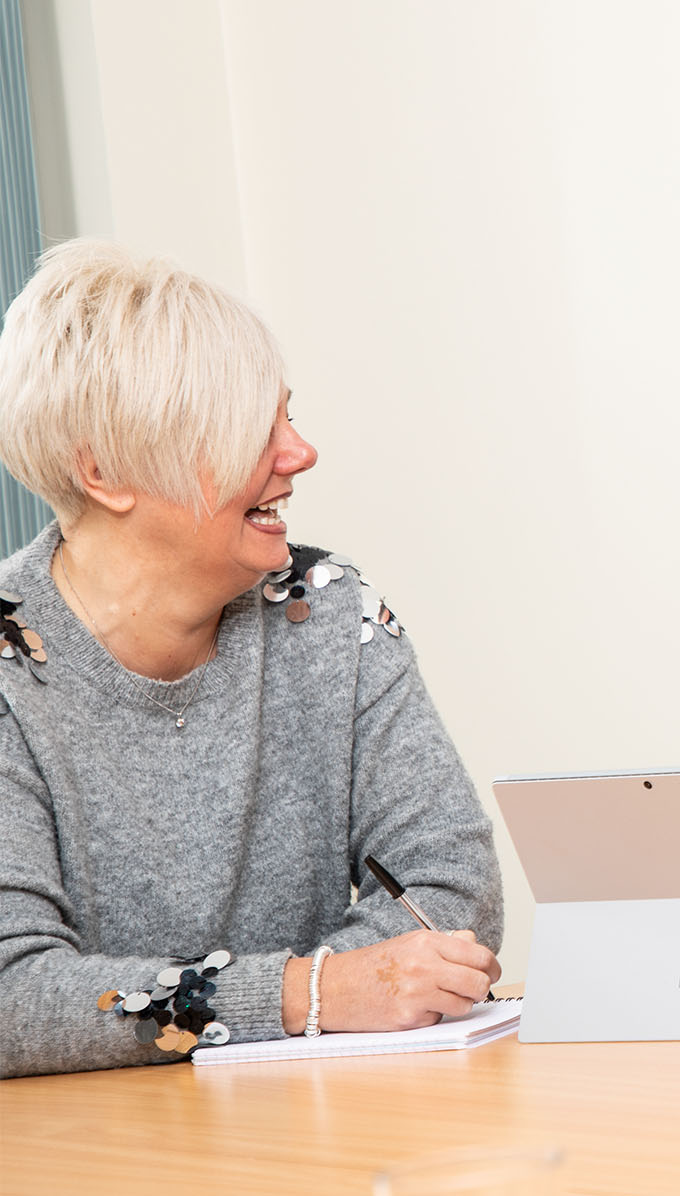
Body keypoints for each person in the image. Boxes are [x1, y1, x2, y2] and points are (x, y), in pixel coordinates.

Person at [0, 241, 503, 1078]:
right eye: (252, 429)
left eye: (287, 416)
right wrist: (312, 996)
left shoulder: (328, 607)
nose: (299, 453)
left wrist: (328, 998)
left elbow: (453, 895)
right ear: (104, 470)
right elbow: (12, 999)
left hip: (318, 1126)